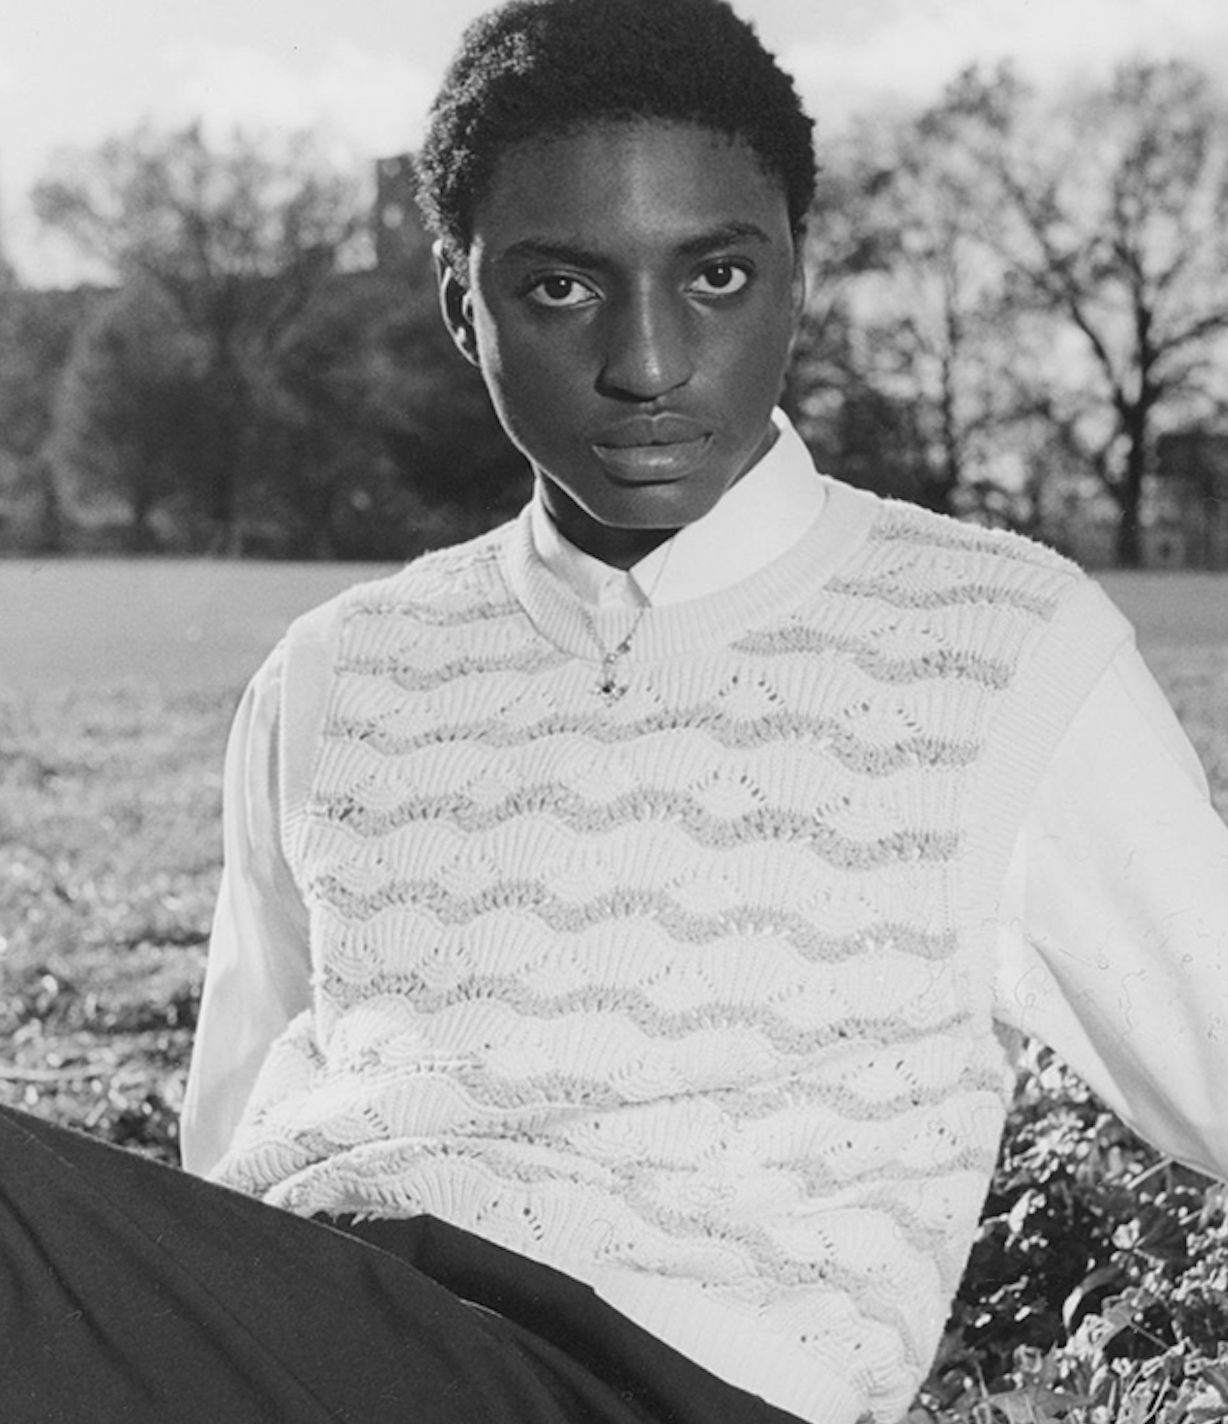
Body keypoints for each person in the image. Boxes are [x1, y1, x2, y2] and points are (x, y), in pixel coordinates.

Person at [3, 1, 1226, 1421]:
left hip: (669, 1380)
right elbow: (225, 1162)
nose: (649, 362)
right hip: (320, 1330)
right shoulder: (336, 670)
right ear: (462, 306)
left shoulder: (998, 640)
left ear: (800, 277)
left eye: (716, 276)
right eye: (562, 289)